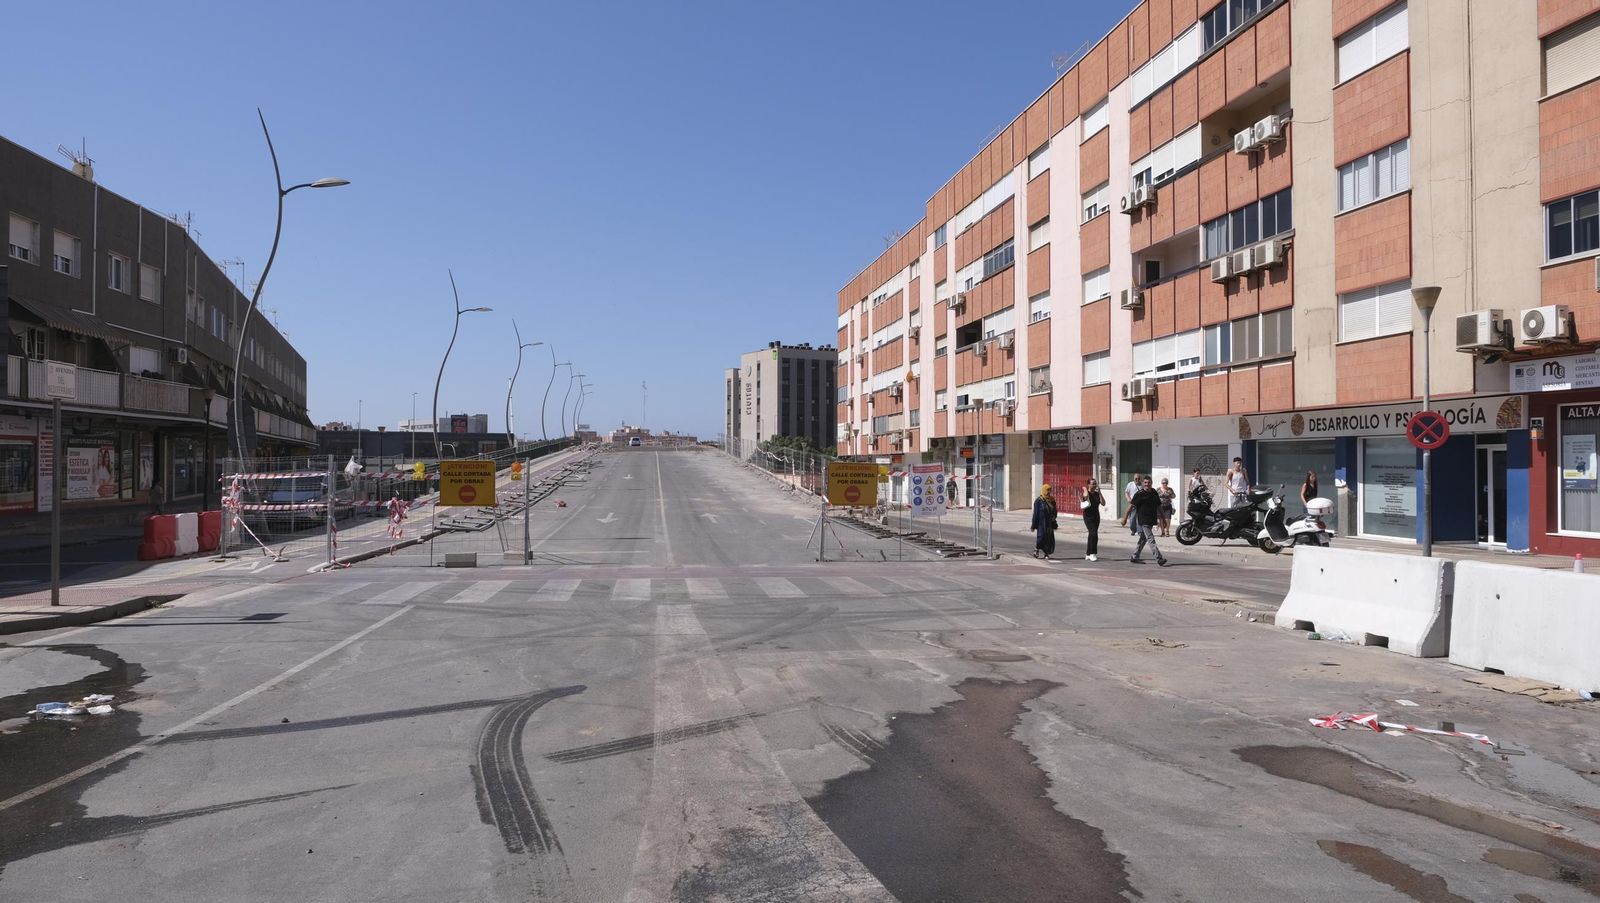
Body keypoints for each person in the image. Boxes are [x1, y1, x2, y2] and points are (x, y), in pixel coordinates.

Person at [1121, 476, 1169, 566]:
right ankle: (1159, 558)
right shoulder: (1139, 494)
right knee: (1151, 539)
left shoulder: (1154, 492)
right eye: (1145, 483)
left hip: (1151, 519)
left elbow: (1159, 506)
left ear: (1151, 483)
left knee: (1143, 538)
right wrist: (1125, 518)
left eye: (1149, 483)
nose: (1147, 484)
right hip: (1143, 520)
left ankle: (1135, 556)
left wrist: (1163, 519)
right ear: (1143, 483)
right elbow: (1131, 506)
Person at [1030, 484, 1059, 560]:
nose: (1049, 492)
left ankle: (1046, 553)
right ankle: (1037, 549)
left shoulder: (1052, 500)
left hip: (1049, 523)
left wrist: (1054, 519)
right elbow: (1035, 514)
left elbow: (1055, 511)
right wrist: (1033, 525)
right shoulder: (1038, 501)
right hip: (1041, 523)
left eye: (1050, 490)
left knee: (1049, 538)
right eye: (1047, 490)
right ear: (1043, 490)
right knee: (1041, 537)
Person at [1080, 478, 1105, 561]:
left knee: (1092, 534)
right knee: (1094, 533)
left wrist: (1100, 493)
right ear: (1089, 485)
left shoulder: (1097, 494)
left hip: (1096, 516)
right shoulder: (1085, 492)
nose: (1094, 485)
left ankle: (1087, 553)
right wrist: (1085, 488)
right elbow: (1086, 496)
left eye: (1095, 484)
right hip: (1088, 516)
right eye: (1093, 484)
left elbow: (1103, 503)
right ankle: (1093, 553)